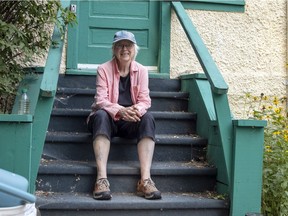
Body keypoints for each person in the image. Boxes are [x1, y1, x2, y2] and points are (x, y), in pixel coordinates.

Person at [87, 30, 161, 200]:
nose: (124, 49)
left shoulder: (142, 70)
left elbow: (145, 100)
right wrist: (120, 110)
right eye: (120, 45)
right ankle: (101, 179)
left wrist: (136, 111)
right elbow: (101, 100)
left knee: (148, 117)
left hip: (130, 120)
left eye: (128, 45)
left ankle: (145, 180)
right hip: (108, 120)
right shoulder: (103, 69)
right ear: (114, 49)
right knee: (100, 115)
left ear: (135, 49)